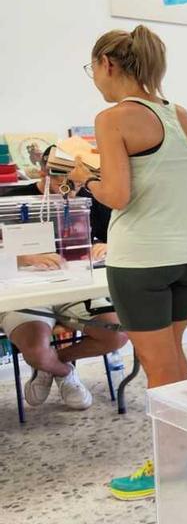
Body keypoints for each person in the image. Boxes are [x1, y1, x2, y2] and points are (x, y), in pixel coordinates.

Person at [74, 25, 187, 500]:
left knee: (158, 369)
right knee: (173, 359)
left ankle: (172, 469)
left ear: (108, 65)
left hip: (143, 261)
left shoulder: (112, 119)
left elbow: (116, 194)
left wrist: (83, 174)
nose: (94, 78)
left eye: (92, 68)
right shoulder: (181, 115)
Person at [0, 149, 127, 412]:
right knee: (36, 352)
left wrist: (105, 246)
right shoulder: (11, 199)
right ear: (43, 172)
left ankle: (51, 367)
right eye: (61, 182)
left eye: (78, 183)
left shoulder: (89, 200)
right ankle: (62, 371)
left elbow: (116, 236)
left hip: (76, 289)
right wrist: (24, 258)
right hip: (26, 293)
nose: (69, 190)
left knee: (118, 335)